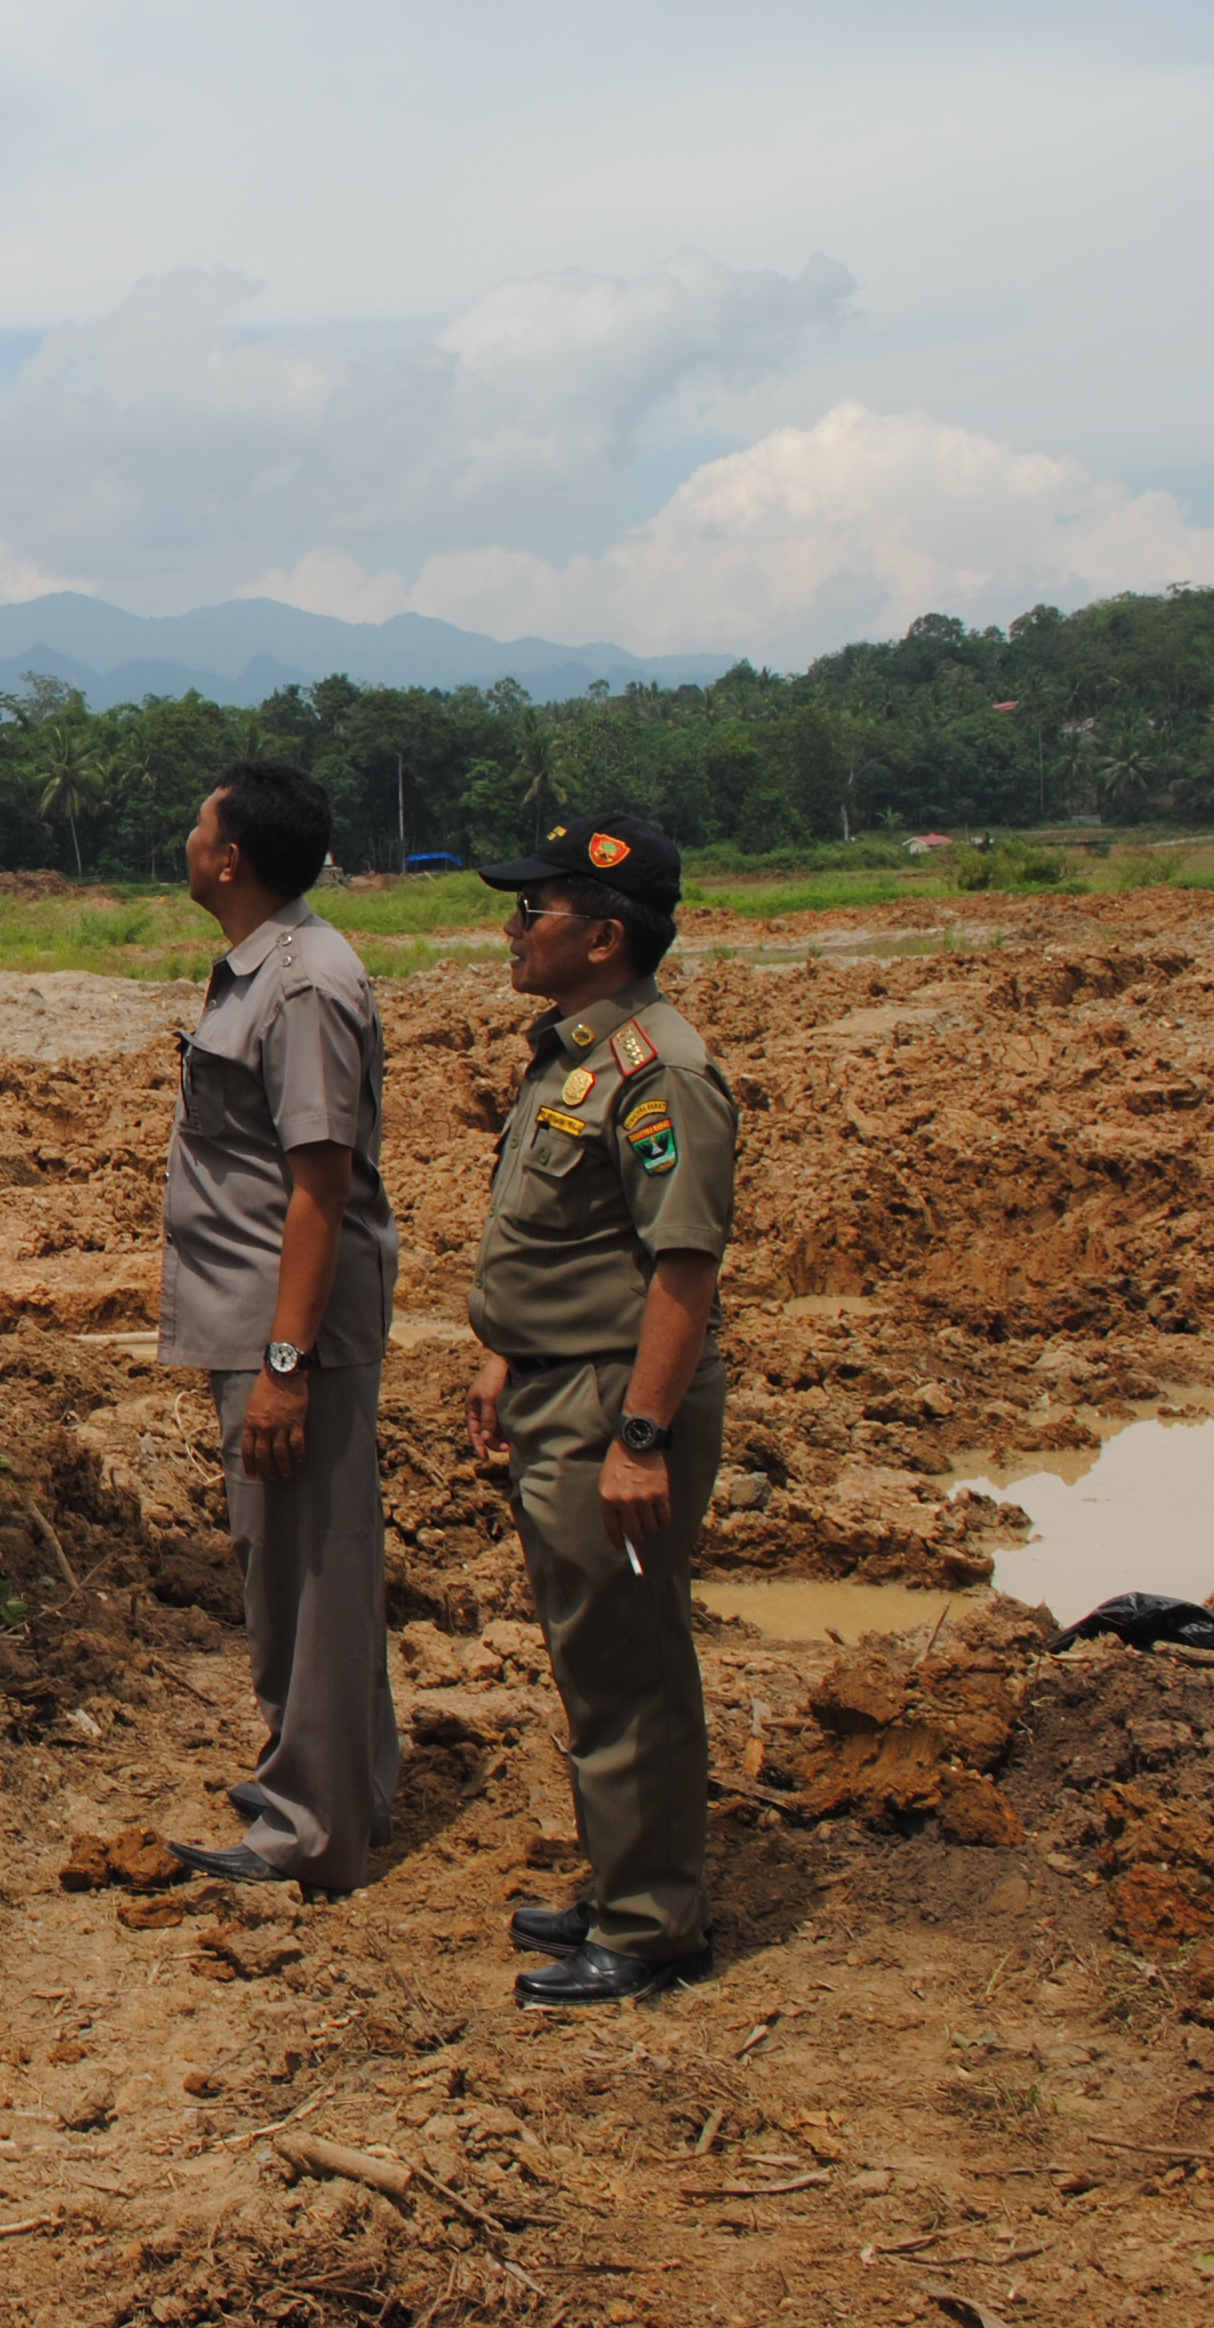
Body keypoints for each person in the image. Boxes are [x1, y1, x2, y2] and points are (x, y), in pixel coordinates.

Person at [464, 815, 739, 2006]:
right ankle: (619, 1877)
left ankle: (650, 1924)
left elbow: (681, 1270)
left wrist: (637, 1438)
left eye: (534, 911)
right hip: (556, 1385)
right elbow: (562, 1239)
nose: (511, 929)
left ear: (604, 934)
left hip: (611, 1401)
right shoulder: (579, 1052)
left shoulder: (658, 1069)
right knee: (590, 1650)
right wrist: (499, 1356)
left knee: (628, 1662)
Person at [151, 764, 405, 1891]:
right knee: (299, 1559)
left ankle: (311, 1829)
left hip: (287, 1331)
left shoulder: (299, 985)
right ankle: (345, 1782)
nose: (187, 835)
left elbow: (319, 1186)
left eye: (197, 821)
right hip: (264, 1325)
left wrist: (286, 1367)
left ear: (229, 858)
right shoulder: (270, 966)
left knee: (307, 1567)